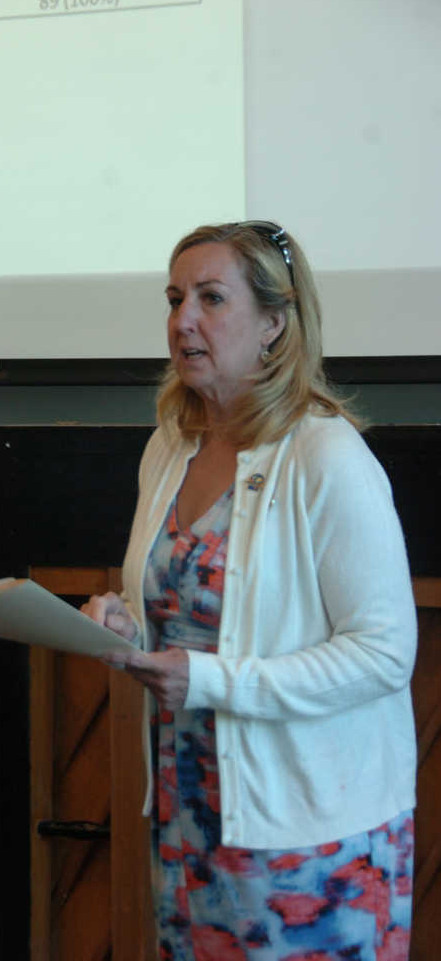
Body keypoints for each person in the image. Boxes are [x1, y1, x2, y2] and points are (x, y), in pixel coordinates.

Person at [81, 221, 417, 960]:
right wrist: (119, 625)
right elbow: (176, 612)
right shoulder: (171, 445)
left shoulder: (328, 455)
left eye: (210, 298)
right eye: (174, 299)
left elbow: (385, 654)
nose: (183, 321)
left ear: (274, 322)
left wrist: (207, 679)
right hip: (191, 809)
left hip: (311, 830)